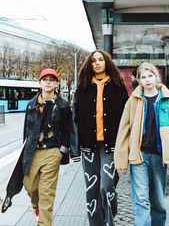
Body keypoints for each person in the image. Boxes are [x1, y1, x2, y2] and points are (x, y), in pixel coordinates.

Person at [114, 62, 169, 226]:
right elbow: (123, 130)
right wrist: (121, 158)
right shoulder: (133, 101)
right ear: (138, 79)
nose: (147, 80)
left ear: (156, 76)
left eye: (150, 76)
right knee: (141, 198)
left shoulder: (167, 100)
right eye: (143, 77)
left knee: (158, 200)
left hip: (159, 157)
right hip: (139, 156)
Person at [70, 50, 128, 226]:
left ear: (106, 62)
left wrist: (126, 146)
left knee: (106, 186)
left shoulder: (118, 88)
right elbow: (75, 119)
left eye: (100, 60)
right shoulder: (82, 88)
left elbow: (127, 119)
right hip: (89, 147)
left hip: (111, 146)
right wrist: (75, 150)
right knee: (92, 191)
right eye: (93, 60)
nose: (97, 63)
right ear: (90, 64)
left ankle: (110, 219)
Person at [22, 68, 72, 226]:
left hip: (52, 152)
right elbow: (26, 130)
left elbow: (68, 129)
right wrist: (23, 153)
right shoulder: (31, 104)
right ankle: (37, 207)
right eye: (45, 79)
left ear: (56, 83)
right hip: (33, 151)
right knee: (29, 186)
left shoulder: (63, 105)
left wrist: (62, 150)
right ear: (40, 83)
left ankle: (44, 222)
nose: (48, 82)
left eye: (52, 79)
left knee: (46, 193)